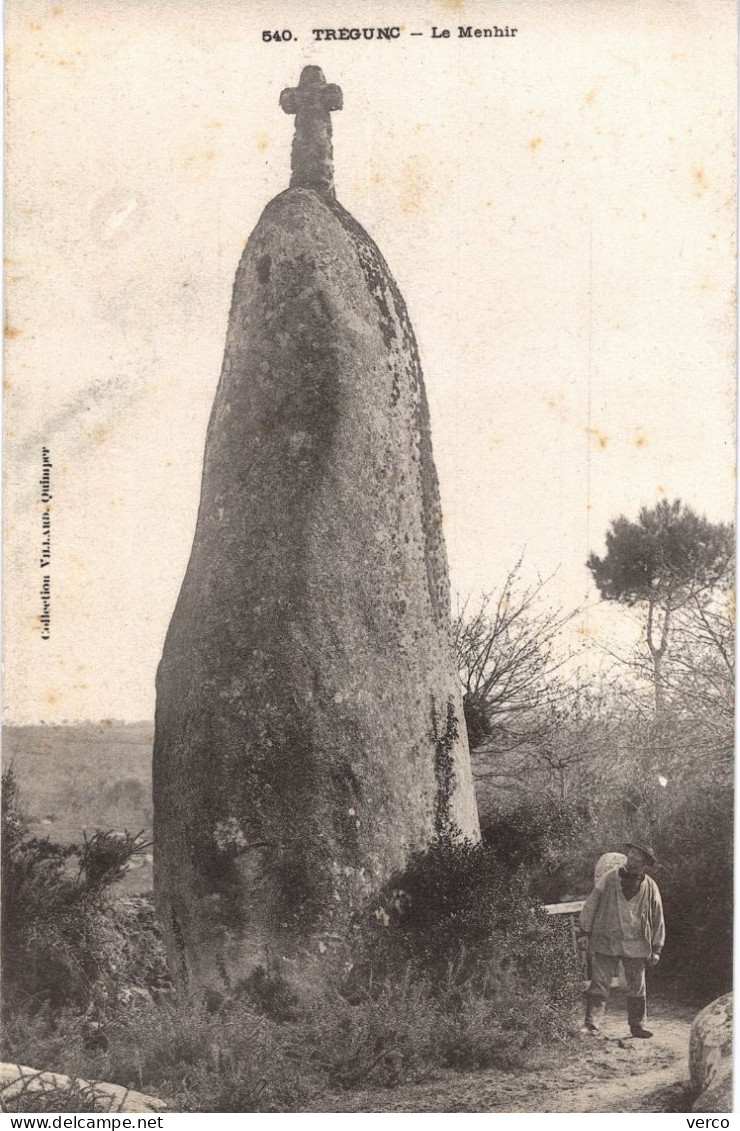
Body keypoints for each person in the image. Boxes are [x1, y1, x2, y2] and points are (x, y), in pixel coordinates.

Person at [578, 841, 665, 1039]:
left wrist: (657, 948)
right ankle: (591, 1023)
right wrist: (584, 932)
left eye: (638, 859)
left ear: (645, 865)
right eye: (631, 856)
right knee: (599, 982)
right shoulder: (609, 879)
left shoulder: (651, 887)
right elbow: (591, 905)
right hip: (606, 939)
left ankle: (637, 1026)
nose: (632, 861)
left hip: (636, 943)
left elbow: (658, 917)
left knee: (637, 985)